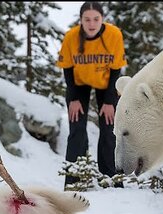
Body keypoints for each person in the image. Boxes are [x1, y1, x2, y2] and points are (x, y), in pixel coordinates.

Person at [57, 2, 127, 188]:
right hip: (78, 85)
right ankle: (74, 181)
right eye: (87, 19)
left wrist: (110, 101)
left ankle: (111, 180)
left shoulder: (114, 35)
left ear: (102, 19)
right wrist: (73, 99)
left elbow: (115, 70)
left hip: (107, 85)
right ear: (81, 20)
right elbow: (67, 70)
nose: (91, 23)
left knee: (109, 130)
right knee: (77, 131)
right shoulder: (71, 37)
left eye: (96, 19)